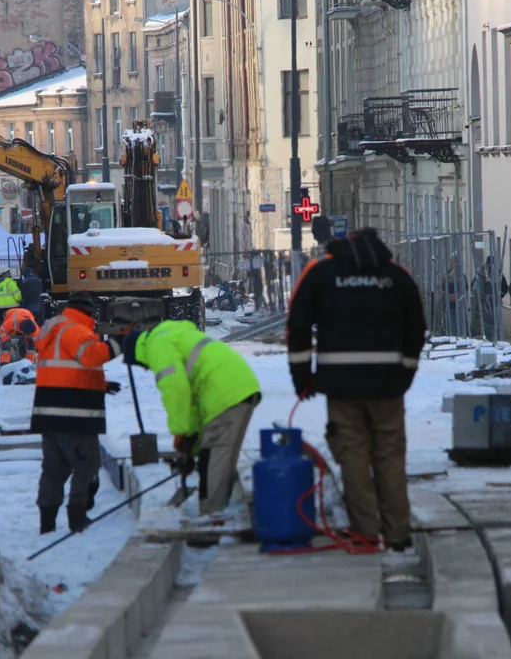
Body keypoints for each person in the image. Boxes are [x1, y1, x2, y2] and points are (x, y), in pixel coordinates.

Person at [287, 228, 426, 552]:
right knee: (390, 457)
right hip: (388, 386)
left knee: (353, 456)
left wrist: (302, 377)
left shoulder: (321, 273)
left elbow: (297, 324)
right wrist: (405, 371)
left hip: (341, 386)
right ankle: (397, 533)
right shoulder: (396, 276)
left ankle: (365, 532)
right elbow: (416, 327)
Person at [122, 321, 261, 519]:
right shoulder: (171, 337)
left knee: (214, 457)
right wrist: (191, 445)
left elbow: (175, 389)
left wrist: (182, 433)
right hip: (237, 387)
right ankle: (215, 513)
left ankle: (211, 517)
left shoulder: (156, 345)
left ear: (137, 354)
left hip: (225, 393)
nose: (146, 369)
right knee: (214, 454)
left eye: (141, 366)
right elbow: (192, 404)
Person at [31, 294, 123, 535]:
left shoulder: (57, 330)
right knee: (87, 464)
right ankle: (77, 515)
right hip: (73, 414)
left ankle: (47, 524)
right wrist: (119, 343)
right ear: (89, 313)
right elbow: (91, 356)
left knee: (54, 469)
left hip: (49, 412)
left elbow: (67, 370)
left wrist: (101, 385)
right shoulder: (75, 329)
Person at [471, 256, 509, 342]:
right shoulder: (498, 273)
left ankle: (488, 339)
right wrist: (499, 296)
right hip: (495, 303)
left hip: (483, 303)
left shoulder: (480, 273)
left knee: (486, 323)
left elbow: (473, 286)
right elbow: (505, 287)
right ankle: (496, 340)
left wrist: (479, 299)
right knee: (495, 322)